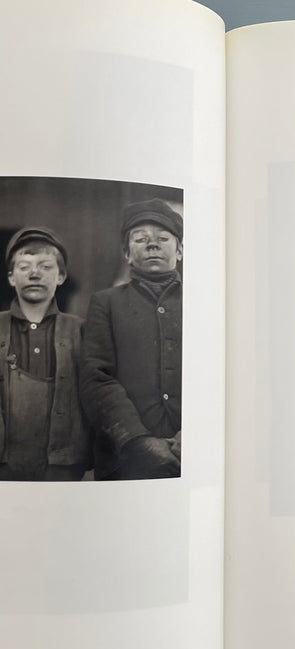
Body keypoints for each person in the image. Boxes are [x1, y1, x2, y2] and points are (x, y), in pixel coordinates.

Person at [80, 199, 183, 479]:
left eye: (163, 238)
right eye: (140, 239)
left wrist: (197, 434)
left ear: (180, 250)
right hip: (124, 461)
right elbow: (96, 378)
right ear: (127, 253)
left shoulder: (204, 302)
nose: (152, 244)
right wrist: (137, 441)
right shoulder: (105, 303)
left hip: (191, 456)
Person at [0, 228, 92, 480]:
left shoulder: (81, 330)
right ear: (11, 277)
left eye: (45, 266)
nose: (34, 273)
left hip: (63, 466)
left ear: (61, 276)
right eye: (24, 266)